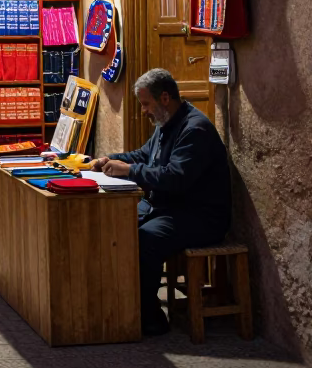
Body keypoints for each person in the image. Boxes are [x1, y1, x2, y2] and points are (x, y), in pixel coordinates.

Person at [93, 68, 231, 336]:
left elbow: (175, 178)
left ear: (165, 98)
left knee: (146, 239)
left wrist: (129, 171)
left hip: (200, 216)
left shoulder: (195, 130)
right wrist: (106, 160)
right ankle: (119, 305)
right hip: (169, 207)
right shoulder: (165, 124)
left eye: (146, 104)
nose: (144, 111)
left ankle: (150, 318)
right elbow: (143, 155)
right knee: (116, 226)